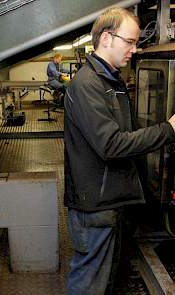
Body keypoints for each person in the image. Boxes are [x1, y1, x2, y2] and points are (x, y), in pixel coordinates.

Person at [64, 7, 175, 295]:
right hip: (96, 205)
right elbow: (112, 145)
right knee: (89, 283)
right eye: (130, 42)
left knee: (106, 280)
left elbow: (127, 134)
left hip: (112, 200)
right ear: (106, 38)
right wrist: (169, 130)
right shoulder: (87, 85)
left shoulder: (112, 81)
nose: (135, 50)